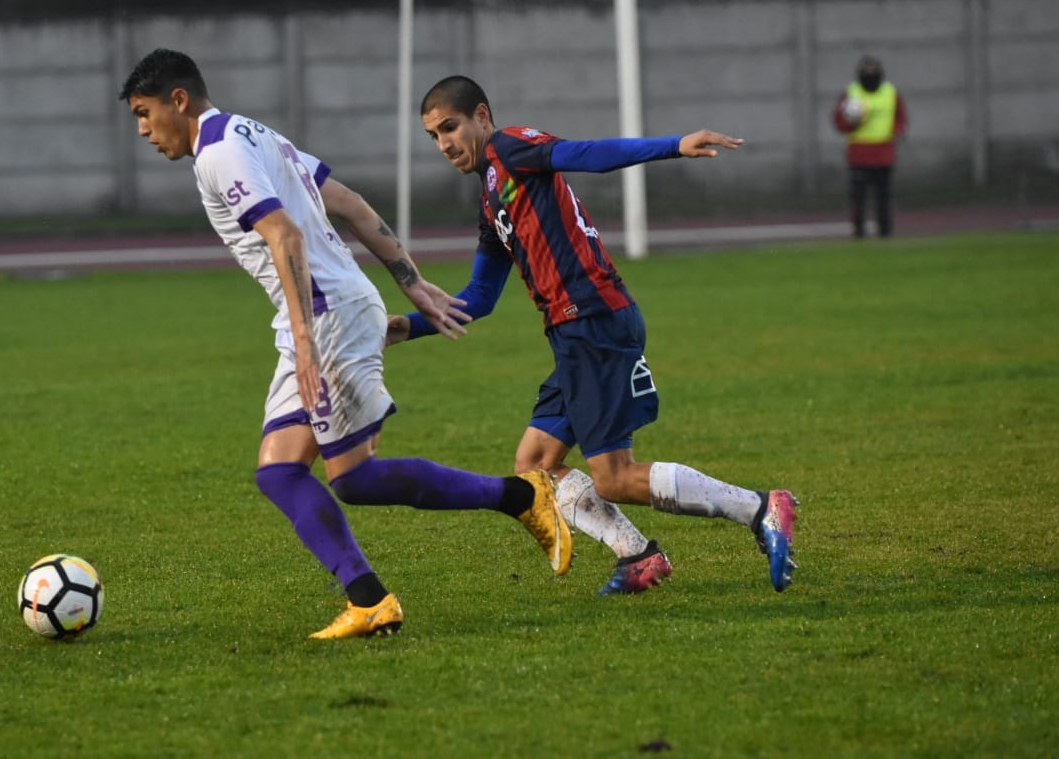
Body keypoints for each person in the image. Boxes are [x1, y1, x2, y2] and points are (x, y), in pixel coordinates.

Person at [118, 49, 571, 640]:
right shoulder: (257, 135)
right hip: (321, 315)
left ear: (178, 100)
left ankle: (517, 498)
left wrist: (307, 340)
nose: (144, 131)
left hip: (325, 318)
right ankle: (373, 598)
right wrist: (411, 282)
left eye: (145, 113)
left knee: (350, 477)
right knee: (281, 472)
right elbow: (351, 205)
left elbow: (282, 234)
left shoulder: (220, 153)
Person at [389, 74, 800, 595]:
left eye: (450, 127)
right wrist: (405, 328)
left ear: (483, 117)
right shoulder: (491, 196)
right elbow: (479, 298)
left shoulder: (512, 147)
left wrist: (674, 146)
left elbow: (587, 153)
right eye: (434, 135)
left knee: (614, 477)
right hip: (574, 331)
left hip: (592, 320)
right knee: (535, 463)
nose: (445, 143)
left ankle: (761, 507)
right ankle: (638, 556)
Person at [832, 55, 907, 238]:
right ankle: (858, 231)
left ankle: (885, 231)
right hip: (859, 152)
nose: (870, 74)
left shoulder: (890, 92)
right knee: (858, 197)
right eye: (866, 71)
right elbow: (839, 122)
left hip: (883, 152)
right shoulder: (851, 93)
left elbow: (901, 119)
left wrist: (896, 132)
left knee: (884, 196)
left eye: (873, 71)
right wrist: (854, 122)